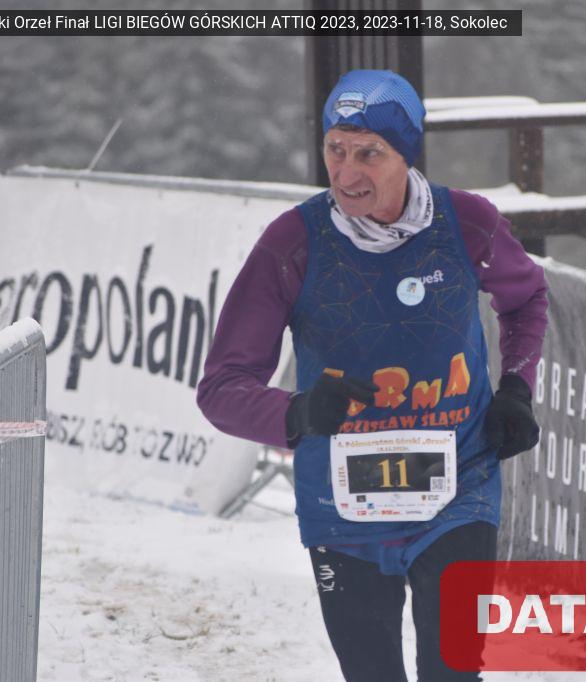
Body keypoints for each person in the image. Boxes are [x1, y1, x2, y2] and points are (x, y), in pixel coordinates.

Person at [197, 69, 548, 681]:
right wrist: (298, 412)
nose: (346, 172)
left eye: (369, 153)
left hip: (458, 490)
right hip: (342, 504)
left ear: (406, 154)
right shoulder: (293, 243)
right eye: (335, 149)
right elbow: (222, 387)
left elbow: (526, 299)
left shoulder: (466, 224)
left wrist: (516, 388)